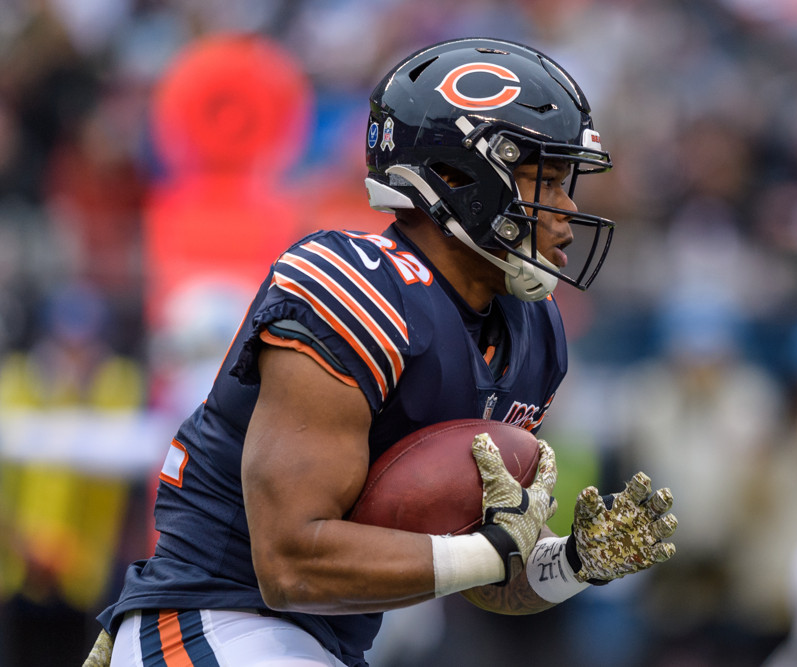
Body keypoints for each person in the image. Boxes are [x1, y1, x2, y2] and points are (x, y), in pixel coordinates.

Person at [87, 37, 677, 667]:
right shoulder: (354, 287)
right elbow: (289, 563)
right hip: (216, 616)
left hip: (320, 643)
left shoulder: (532, 333)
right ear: (459, 178)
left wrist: (573, 563)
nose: (567, 211)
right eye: (549, 181)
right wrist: (491, 550)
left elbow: (482, 571)